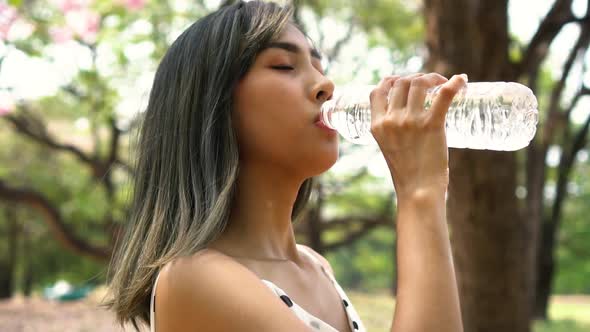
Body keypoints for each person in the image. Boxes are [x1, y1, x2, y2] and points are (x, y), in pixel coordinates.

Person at [105, 1, 465, 331]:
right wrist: (420, 193)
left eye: (319, 67)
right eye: (284, 66)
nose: (325, 84)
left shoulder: (317, 267)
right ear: (212, 108)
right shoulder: (193, 279)